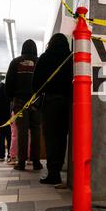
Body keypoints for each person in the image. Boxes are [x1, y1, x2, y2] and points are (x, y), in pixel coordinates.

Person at [32, 33, 72, 184]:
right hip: (67, 103)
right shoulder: (71, 57)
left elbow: (36, 83)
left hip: (49, 102)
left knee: (50, 138)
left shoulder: (45, 57)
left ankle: (53, 172)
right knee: (62, 137)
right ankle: (60, 168)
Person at [5, 39, 42, 171]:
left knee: (22, 132)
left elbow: (8, 83)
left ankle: (21, 162)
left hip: (20, 102)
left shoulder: (15, 62)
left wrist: (11, 98)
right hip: (35, 102)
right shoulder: (39, 62)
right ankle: (36, 161)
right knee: (36, 131)